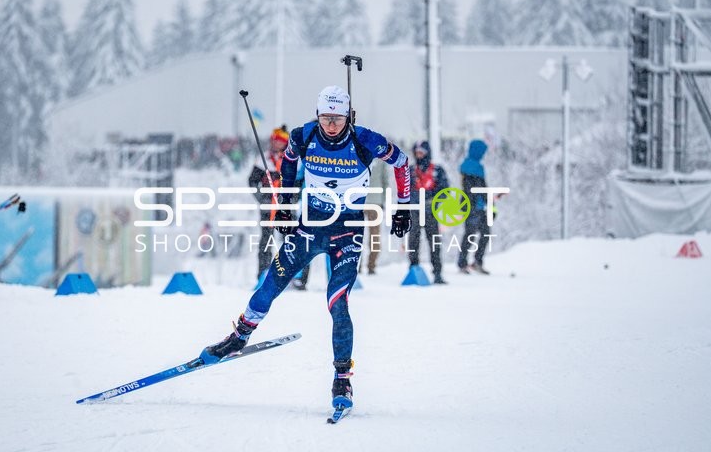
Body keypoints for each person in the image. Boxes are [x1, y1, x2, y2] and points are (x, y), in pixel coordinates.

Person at [198, 86, 412, 409]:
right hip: (310, 228)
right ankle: (238, 337)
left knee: (337, 303)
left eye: (337, 119)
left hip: (348, 234)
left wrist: (403, 207)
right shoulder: (303, 136)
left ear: (348, 117)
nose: (330, 125)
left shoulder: (365, 140)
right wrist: (284, 204)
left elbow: (402, 162)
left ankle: (342, 380)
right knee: (271, 282)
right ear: (317, 114)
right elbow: (288, 161)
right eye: (325, 117)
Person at [248, 126, 289, 278]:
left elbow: (298, 182)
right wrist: (262, 198)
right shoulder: (263, 160)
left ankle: (289, 273)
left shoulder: (289, 159)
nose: (277, 144)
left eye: (280, 142)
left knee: (289, 241)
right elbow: (252, 181)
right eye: (275, 141)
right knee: (266, 240)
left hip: (286, 208)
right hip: (268, 207)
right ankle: (263, 273)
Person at [407, 140, 449, 284]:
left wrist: (432, 199)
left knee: (434, 242)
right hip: (414, 212)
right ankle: (413, 269)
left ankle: (437, 272)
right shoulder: (410, 171)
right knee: (413, 241)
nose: (419, 155)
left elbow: (445, 191)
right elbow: (404, 191)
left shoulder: (437, 170)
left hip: (431, 212)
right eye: (416, 153)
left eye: (422, 153)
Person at [457, 139, 491, 275]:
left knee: (484, 233)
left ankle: (476, 261)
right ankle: (463, 263)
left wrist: (489, 202)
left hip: (480, 207)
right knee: (470, 235)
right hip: (472, 207)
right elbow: (471, 189)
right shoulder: (468, 166)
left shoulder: (478, 167)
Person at [361, 160, 389, 275]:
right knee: (374, 236)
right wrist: (384, 201)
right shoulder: (381, 159)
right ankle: (371, 265)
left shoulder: (357, 154)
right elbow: (385, 182)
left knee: (356, 235)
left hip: (359, 201)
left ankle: (356, 265)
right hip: (375, 202)